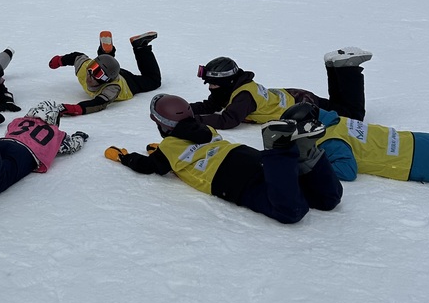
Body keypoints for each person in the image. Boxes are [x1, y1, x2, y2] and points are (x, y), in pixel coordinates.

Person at [104, 94, 342, 224]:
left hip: (231, 180)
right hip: (248, 156)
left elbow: (149, 166)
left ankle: (278, 147)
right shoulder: (207, 130)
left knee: (290, 211)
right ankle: (305, 154)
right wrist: (162, 152)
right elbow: (188, 145)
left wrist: (125, 158)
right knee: (325, 199)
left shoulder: (168, 149)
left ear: (161, 125)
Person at [279, 102, 429, 190]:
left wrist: (309, 165)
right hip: (427, 142)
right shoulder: (336, 120)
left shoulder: (331, 140)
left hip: (423, 161)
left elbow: (348, 170)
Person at [190, 48, 372, 131]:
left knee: (353, 116)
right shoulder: (235, 86)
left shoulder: (243, 96)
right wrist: (183, 109)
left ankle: (348, 67)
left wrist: (192, 120)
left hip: (302, 106)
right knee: (337, 105)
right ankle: (335, 65)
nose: (210, 88)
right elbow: (211, 105)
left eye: (213, 84)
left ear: (227, 81)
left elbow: (228, 120)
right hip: (296, 97)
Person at [48, 31, 161, 116]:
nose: (90, 76)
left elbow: (99, 103)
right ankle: (108, 53)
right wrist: (60, 60)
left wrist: (75, 109)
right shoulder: (85, 68)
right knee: (103, 63)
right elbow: (76, 57)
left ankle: (139, 47)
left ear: (106, 81)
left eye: (98, 74)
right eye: (92, 68)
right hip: (110, 70)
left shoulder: (112, 88)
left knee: (153, 81)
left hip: (129, 83)